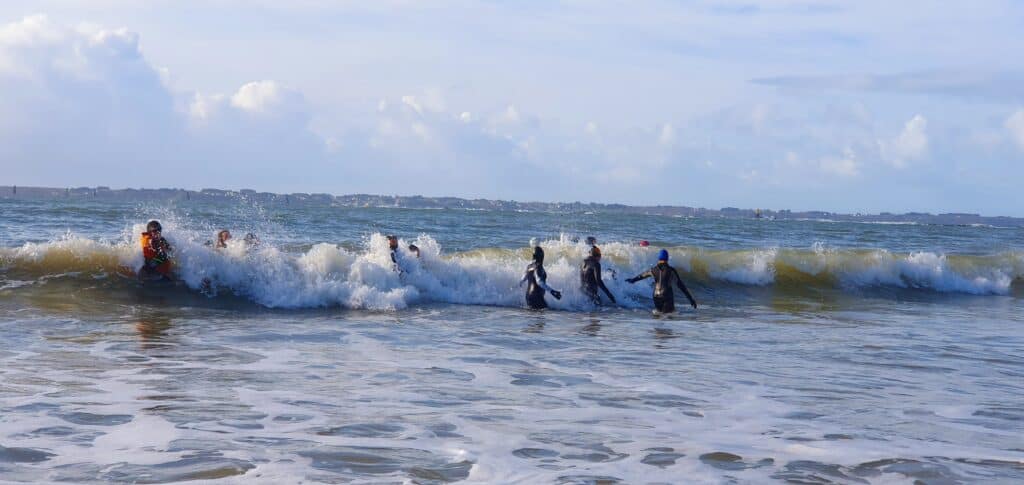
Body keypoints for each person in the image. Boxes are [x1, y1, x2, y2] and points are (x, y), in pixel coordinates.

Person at [626, 249, 697, 313]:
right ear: (667, 258)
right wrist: (691, 299)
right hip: (667, 295)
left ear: (659, 258)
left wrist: (632, 280)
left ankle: (656, 327)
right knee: (669, 316)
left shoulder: (653, 270)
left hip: (656, 296)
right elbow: (680, 285)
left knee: (658, 315)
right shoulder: (671, 270)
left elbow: (641, 276)